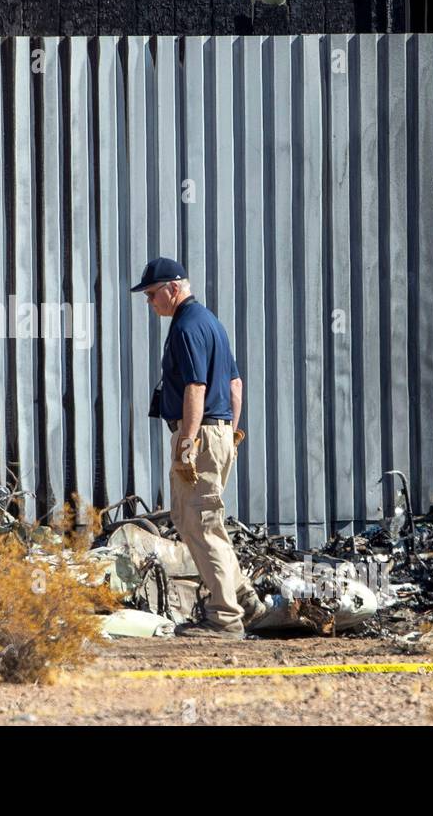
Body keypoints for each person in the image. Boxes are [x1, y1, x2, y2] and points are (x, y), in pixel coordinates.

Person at [131, 257, 265, 640]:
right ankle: (242, 597)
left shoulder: (186, 326)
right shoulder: (211, 324)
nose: (149, 302)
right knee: (198, 520)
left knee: (201, 524)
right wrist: (230, 437)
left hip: (200, 433)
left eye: (152, 294)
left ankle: (224, 618)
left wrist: (189, 441)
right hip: (220, 434)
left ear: (173, 289)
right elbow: (235, 387)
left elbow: (195, 388)